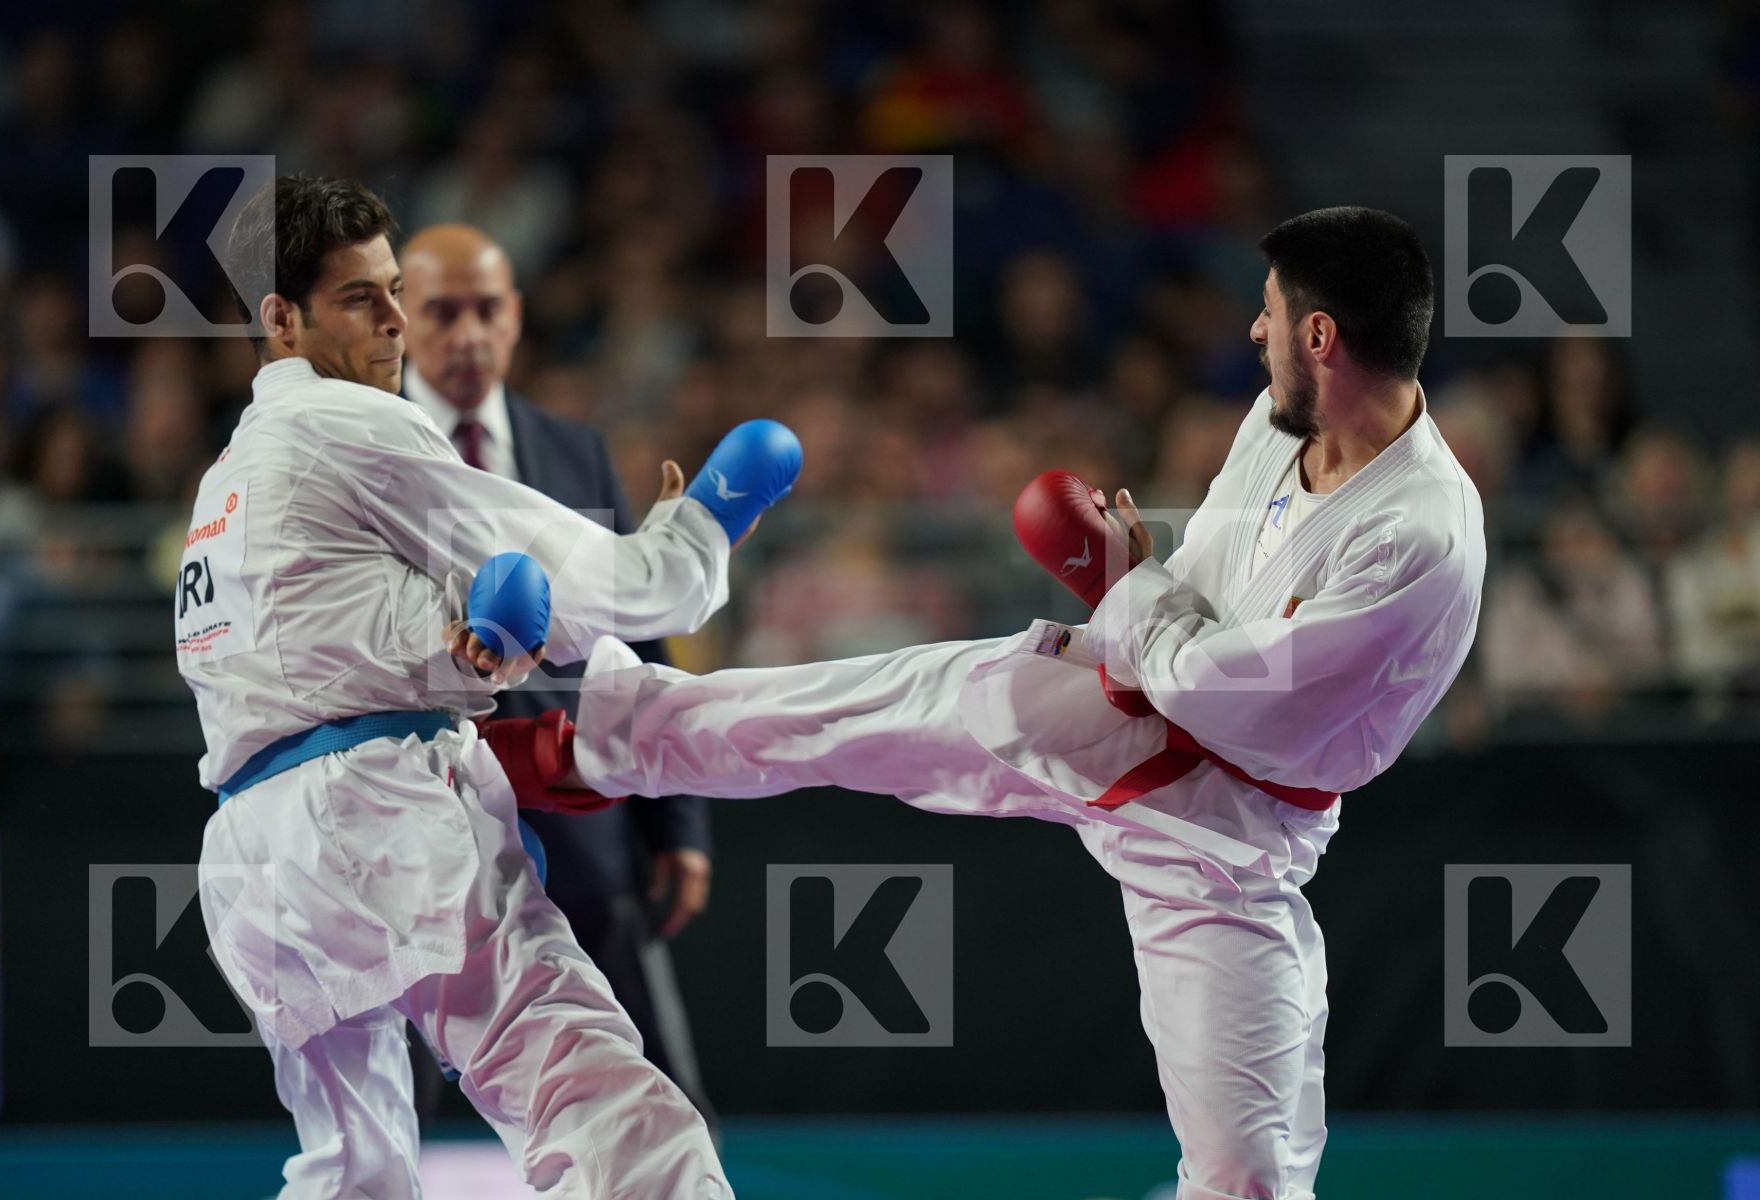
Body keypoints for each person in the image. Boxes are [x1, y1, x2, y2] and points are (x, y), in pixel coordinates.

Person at [519, 208, 1486, 1200]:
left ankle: (595, 743)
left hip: (1226, 839)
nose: (1254, 330)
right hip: (1103, 709)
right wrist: (1136, 592)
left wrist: (1119, 580)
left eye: (1270, 313)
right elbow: (1194, 597)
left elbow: (1222, 695)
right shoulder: (1278, 424)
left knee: (1248, 1176)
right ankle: (576, 746)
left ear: (1320, 337)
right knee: (846, 709)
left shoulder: (1415, 538)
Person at [174, 175, 792, 1199]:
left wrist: (467, 650)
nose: (395, 320)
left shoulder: (225, 484)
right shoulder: (349, 421)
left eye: (393, 291)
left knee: (353, 1173)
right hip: (375, 821)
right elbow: (587, 581)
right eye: (359, 298)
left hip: (256, 863)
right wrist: (696, 538)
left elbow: (327, 642)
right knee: (605, 1107)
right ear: (281, 320)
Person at [397, 222, 717, 1126]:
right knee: (392, 1103)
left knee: (657, 1085)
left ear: (516, 315)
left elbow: (640, 641)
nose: (468, 335)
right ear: (399, 320)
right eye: (442, 312)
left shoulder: (574, 451)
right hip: (417, 809)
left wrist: (679, 823)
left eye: (486, 310)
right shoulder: (370, 455)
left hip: (581, 821)